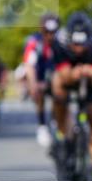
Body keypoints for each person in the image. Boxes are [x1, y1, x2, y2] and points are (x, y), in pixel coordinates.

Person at [51, 12, 92, 181]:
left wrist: (90, 72)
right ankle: (63, 137)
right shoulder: (59, 42)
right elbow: (64, 74)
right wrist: (74, 73)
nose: (79, 49)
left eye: (83, 44)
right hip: (68, 79)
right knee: (57, 87)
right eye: (75, 44)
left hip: (91, 83)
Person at [25, 12, 60, 147]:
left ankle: (56, 121)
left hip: (55, 76)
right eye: (47, 32)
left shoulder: (61, 41)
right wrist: (33, 84)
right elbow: (29, 65)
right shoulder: (35, 42)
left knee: (60, 95)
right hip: (39, 76)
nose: (50, 36)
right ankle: (42, 126)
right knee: (39, 94)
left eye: (53, 32)